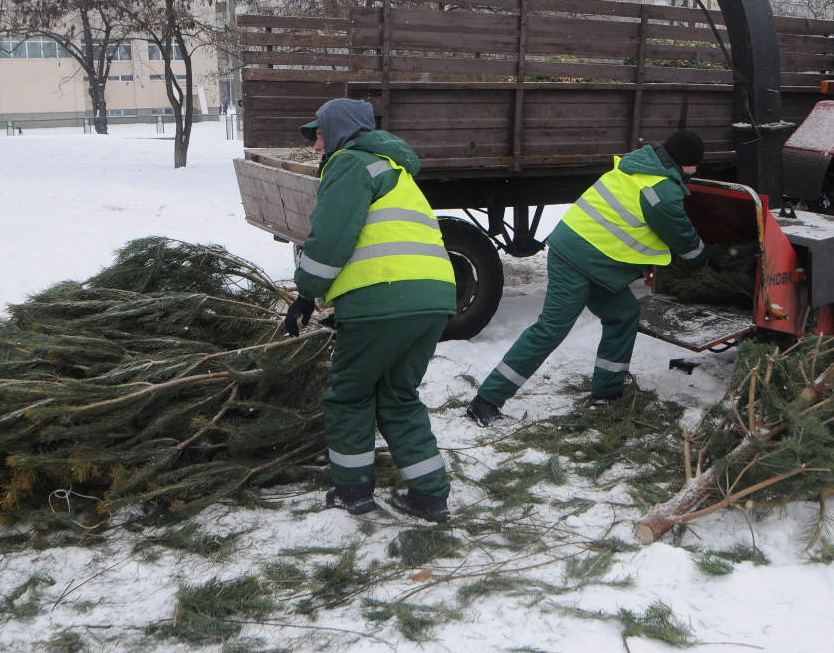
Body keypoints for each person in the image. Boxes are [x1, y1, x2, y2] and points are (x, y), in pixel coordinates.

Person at [284, 98, 456, 523]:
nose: (317, 143)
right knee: (398, 396)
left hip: (383, 299)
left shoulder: (350, 164)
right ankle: (430, 496)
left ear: (340, 130)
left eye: (320, 133)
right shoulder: (394, 170)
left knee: (348, 395)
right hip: (433, 299)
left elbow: (330, 239)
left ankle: (353, 491)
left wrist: (305, 295)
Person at [466, 130, 709, 427]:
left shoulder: (639, 166)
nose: (696, 172)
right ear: (683, 163)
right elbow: (685, 241)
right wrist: (706, 261)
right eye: (695, 165)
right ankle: (486, 401)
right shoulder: (662, 191)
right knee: (551, 329)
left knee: (624, 314)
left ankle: (606, 394)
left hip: (592, 260)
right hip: (576, 260)